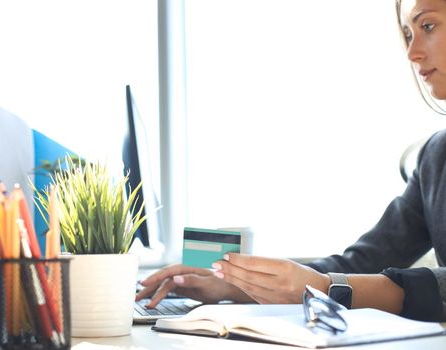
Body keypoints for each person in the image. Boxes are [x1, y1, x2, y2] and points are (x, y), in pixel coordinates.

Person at [136, 0, 446, 322]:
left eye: (427, 27)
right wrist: (235, 285)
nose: (413, 53)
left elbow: (341, 282)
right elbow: (360, 265)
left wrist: (326, 288)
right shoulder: (436, 156)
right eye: (408, 35)